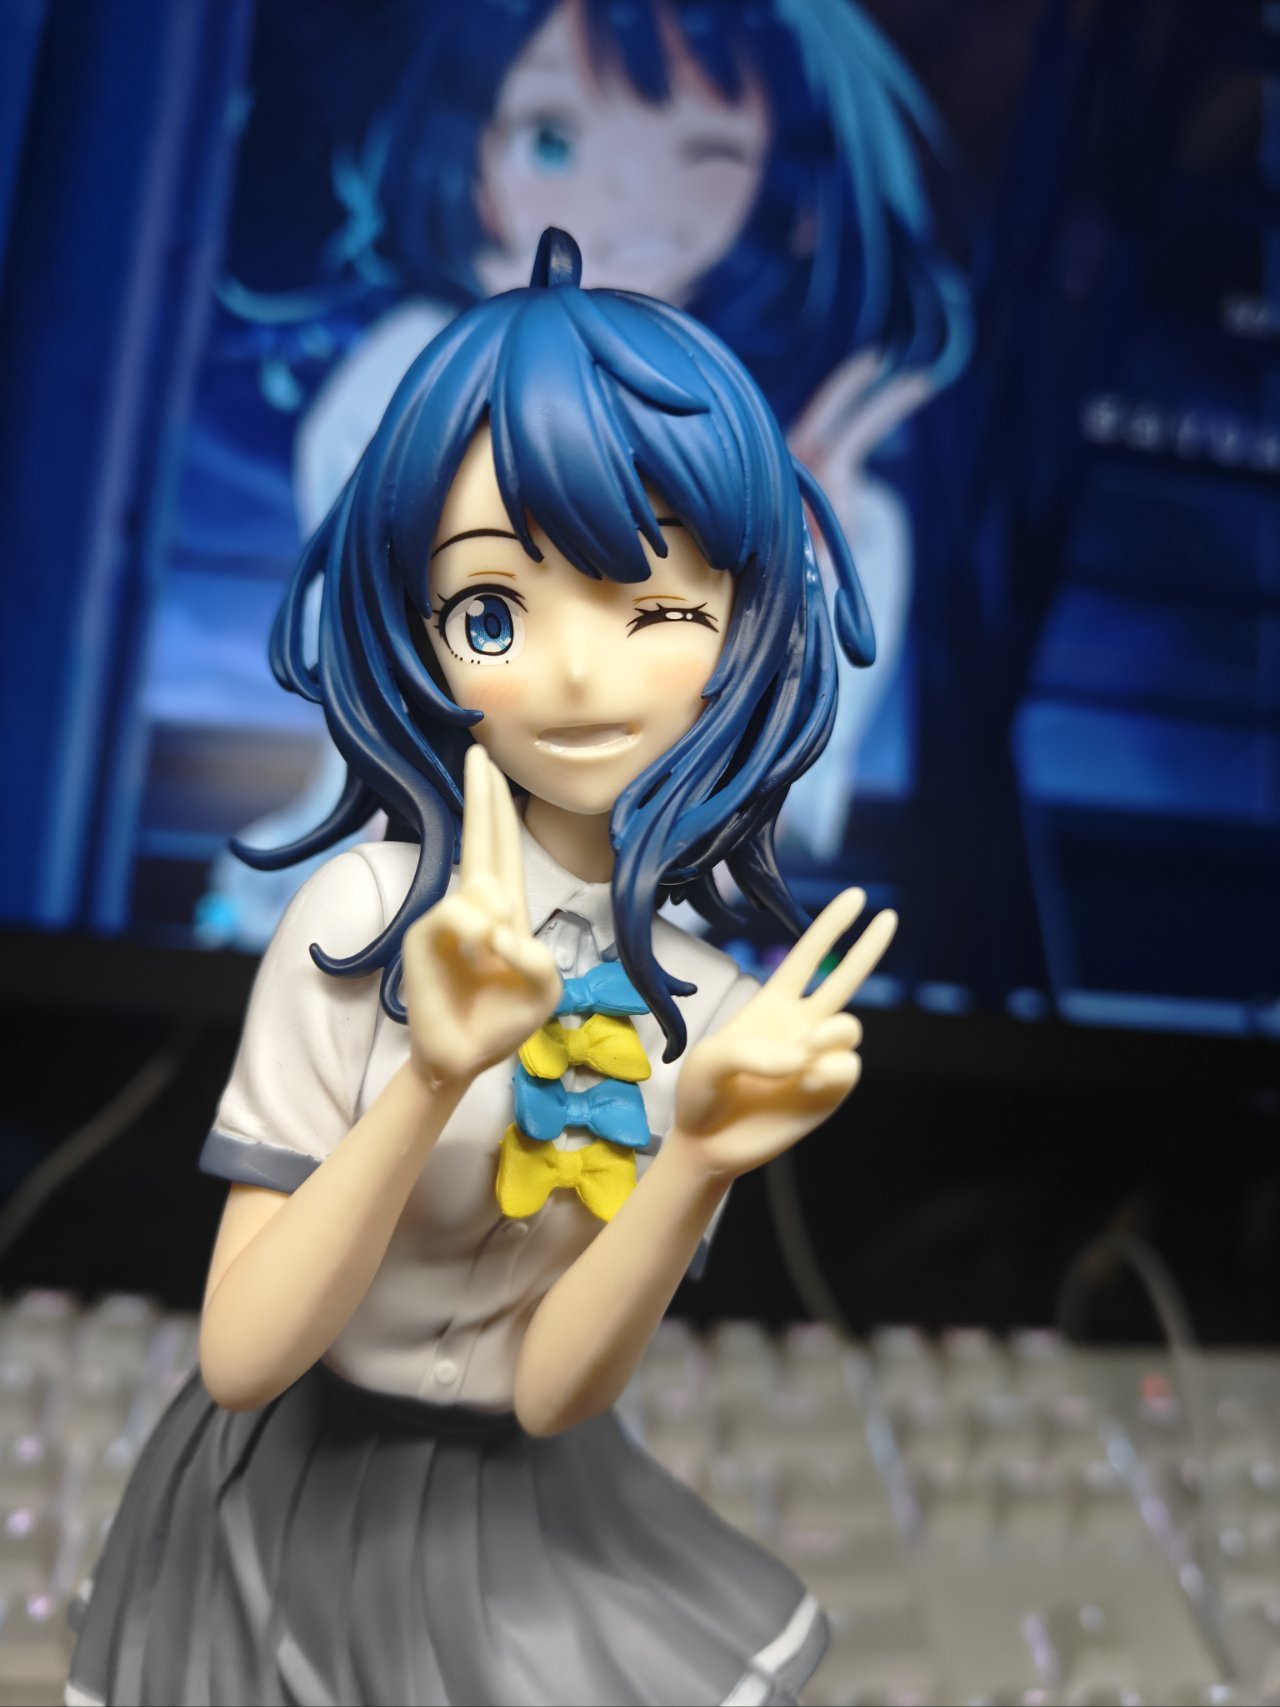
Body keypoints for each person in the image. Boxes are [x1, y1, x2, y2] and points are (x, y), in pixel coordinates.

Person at [70, 229, 896, 1706]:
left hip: (523, 1513)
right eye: (496, 611)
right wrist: (433, 1072)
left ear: (743, 628)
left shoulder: (705, 1009)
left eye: (656, 609)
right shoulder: (356, 919)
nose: (575, 674)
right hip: (280, 1508)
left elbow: (554, 1390)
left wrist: (701, 1156)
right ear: (420, 624)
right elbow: (244, 1353)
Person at [199, 0, 968, 949]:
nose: (628, 194)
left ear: (787, 194)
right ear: (467, 148)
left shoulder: (823, 503)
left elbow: (765, 825)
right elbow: (410, 710)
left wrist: (793, 566)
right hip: (384, 928)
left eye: (704, 157)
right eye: (555, 138)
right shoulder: (415, 378)